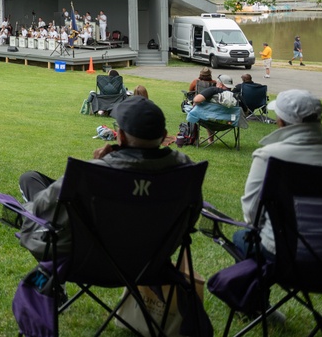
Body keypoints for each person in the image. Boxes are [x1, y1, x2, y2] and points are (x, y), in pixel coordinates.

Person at [17, 97, 194, 260]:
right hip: (151, 261)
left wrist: (96, 163)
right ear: (164, 136)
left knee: (30, 181)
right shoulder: (185, 170)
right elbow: (190, 217)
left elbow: (43, 207)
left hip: (87, 260)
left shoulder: (94, 171)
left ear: (121, 137)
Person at [236, 90, 322, 260]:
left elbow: (251, 214)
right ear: (318, 118)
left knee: (241, 237)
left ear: (281, 121)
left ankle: (255, 286)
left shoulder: (269, 156)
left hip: (286, 257)